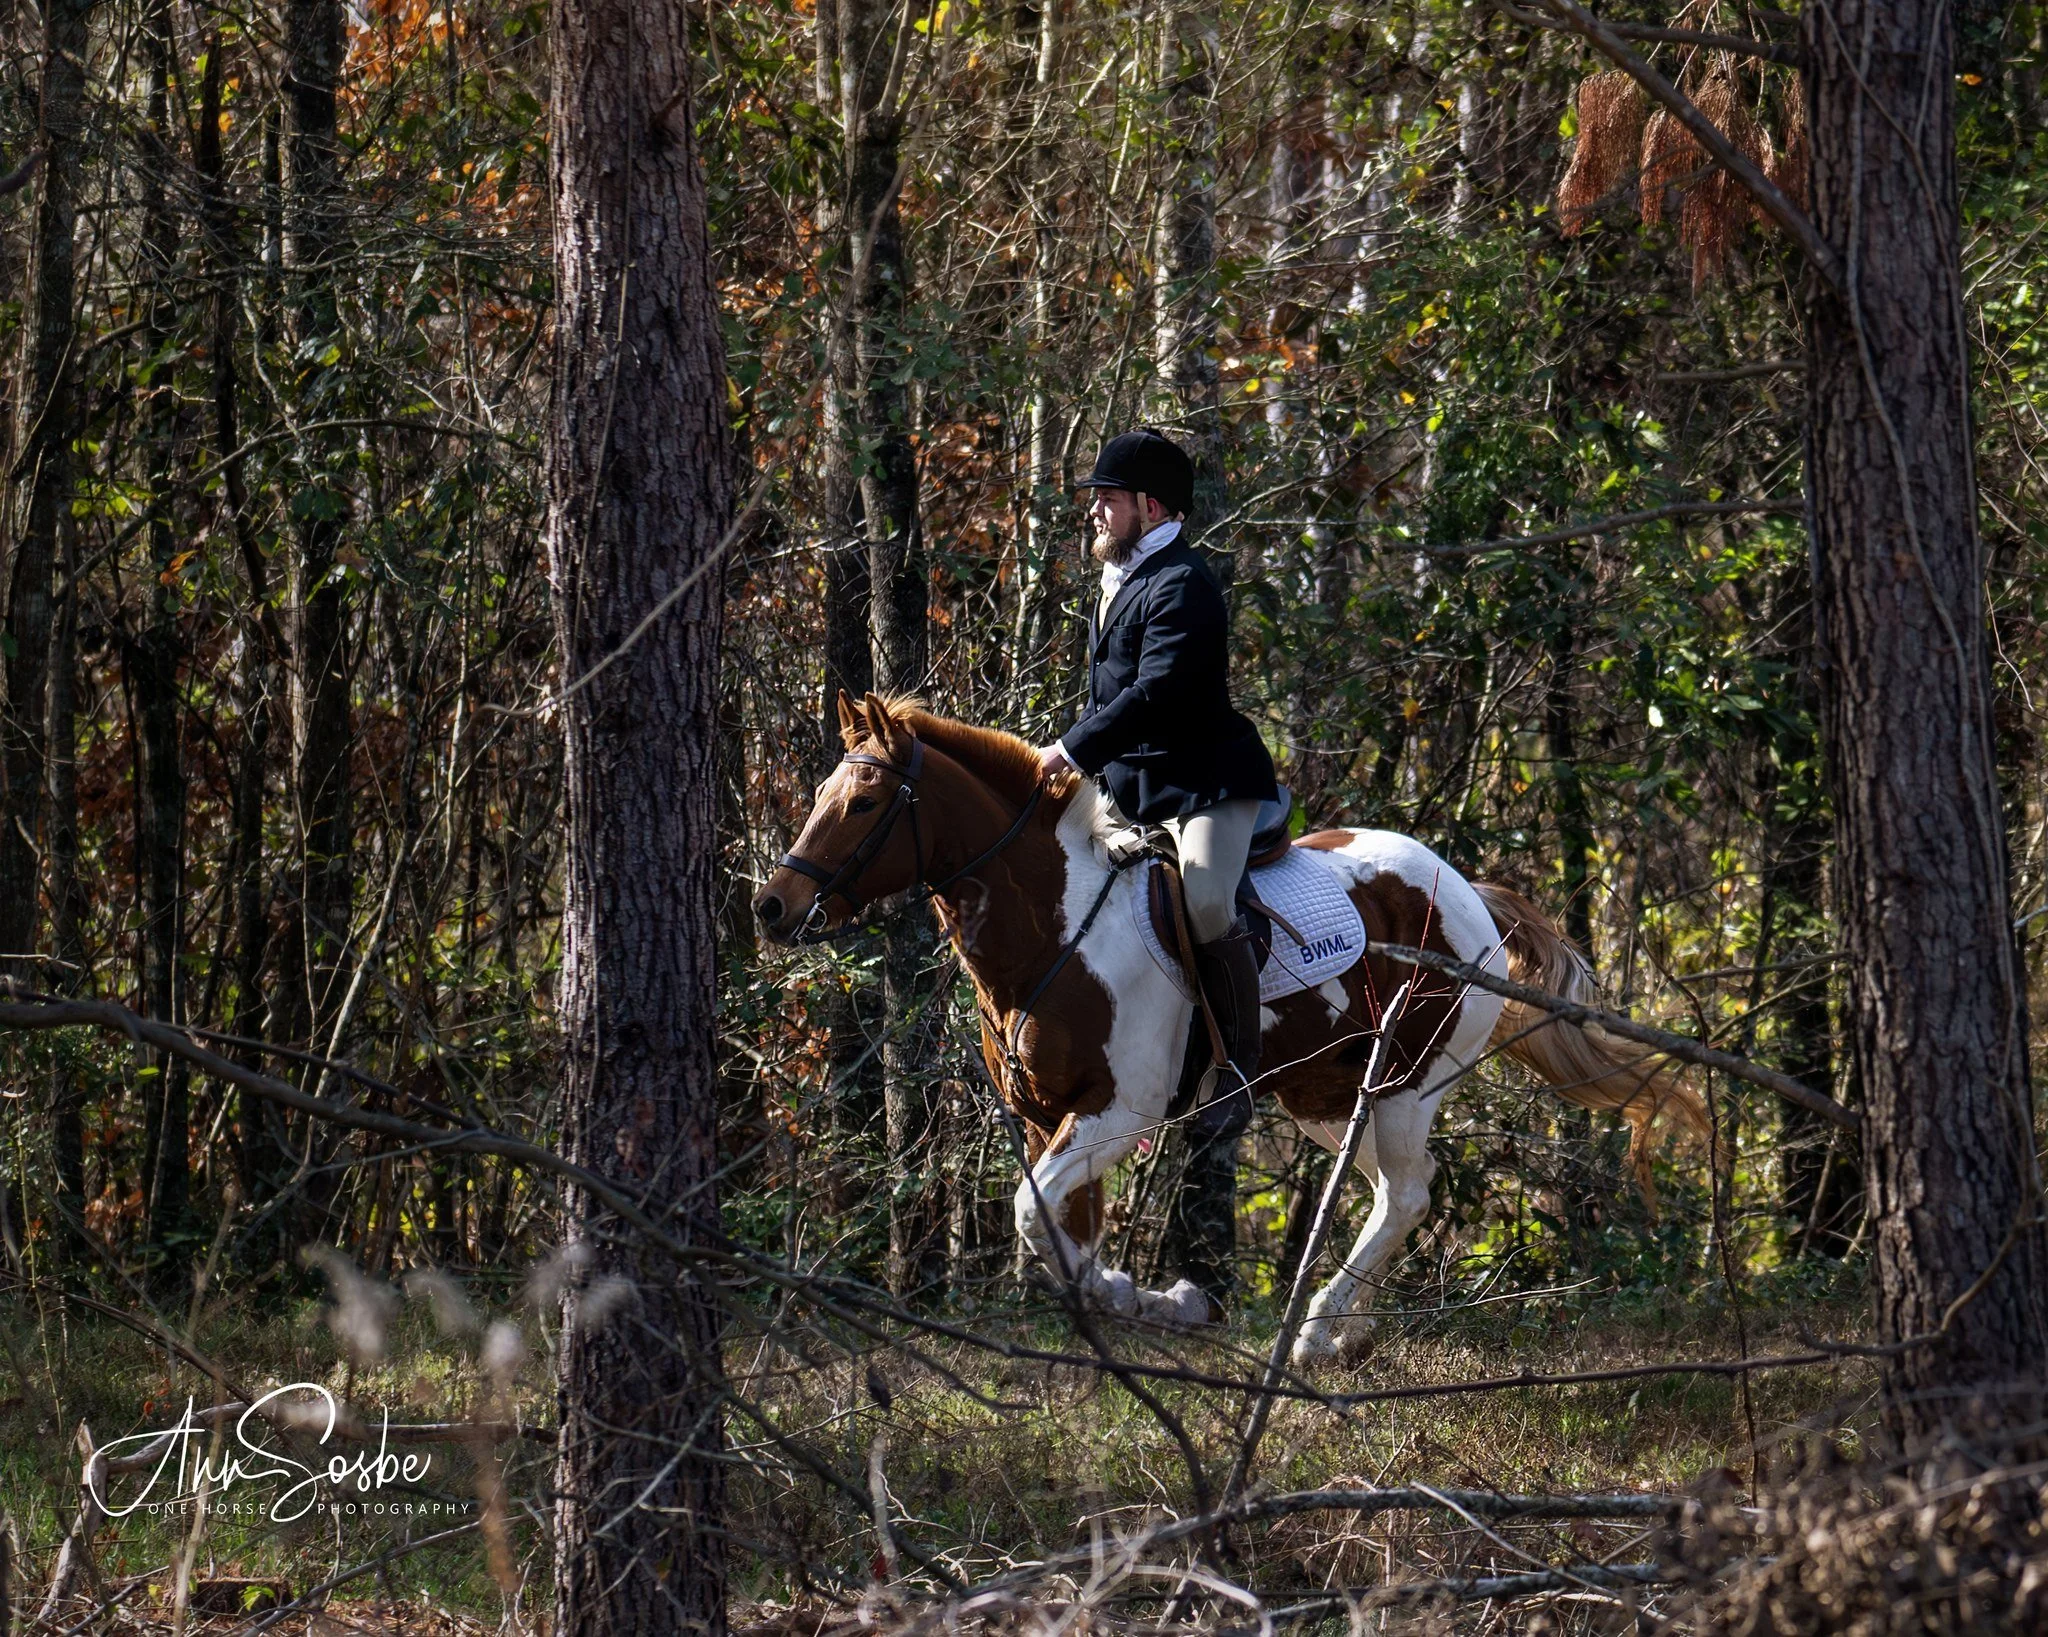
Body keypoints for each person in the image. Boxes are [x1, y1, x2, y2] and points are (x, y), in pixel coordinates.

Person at [1035, 427, 1279, 1112]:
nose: (1094, 511)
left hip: (1205, 782)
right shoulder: (1125, 578)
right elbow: (1105, 696)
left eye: (1107, 499)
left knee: (1204, 900)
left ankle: (1237, 1069)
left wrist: (1070, 748)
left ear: (1151, 504)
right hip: (1132, 784)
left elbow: (1154, 693)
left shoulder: (1183, 585)